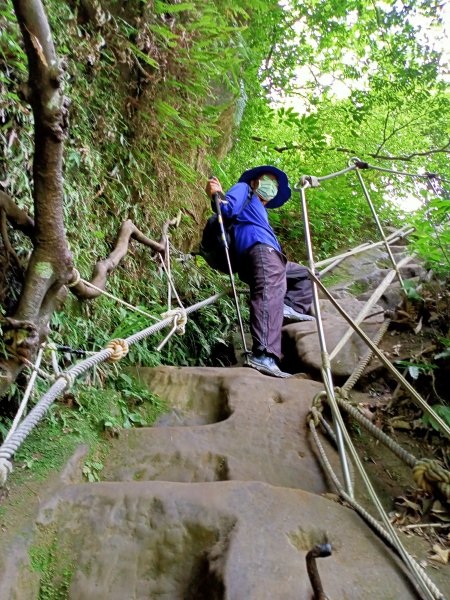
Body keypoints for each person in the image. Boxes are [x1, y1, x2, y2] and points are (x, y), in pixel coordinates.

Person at [205, 165, 315, 378]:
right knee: (269, 291)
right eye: (268, 179)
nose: (271, 185)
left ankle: (288, 307)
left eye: (275, 183)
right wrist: (217, 193)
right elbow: (226, 209)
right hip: (259, 249)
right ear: (255, 182)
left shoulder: (259, 208)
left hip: (272, 256)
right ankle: (263, 354)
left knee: (307, 274)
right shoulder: (244, 189)